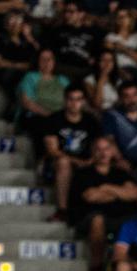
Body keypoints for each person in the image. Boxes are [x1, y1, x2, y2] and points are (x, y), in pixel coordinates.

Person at [70, 136, 137, 271]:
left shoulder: (121, 173)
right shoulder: (84, 173)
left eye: (107, 149)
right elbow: (90, 196)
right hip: (89, 218)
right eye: (98, 149)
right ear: (93, 152)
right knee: (98, 220)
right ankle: (97, 266)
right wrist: (119, 192)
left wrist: (105, 187)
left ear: (112, 151)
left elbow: (133, 194)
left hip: (120, 217)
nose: (103, 153)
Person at [43, 84, 99, 222]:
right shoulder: (54, 119)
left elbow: (98, 145)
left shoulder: (91, 121)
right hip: (57, 163)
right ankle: (62, 210)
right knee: (63, 163)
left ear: (84, 101)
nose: (74, 103)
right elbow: (52, 150)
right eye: (71, 99)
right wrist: (77, 161)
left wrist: (92, 159)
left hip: (86, 161)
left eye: (78, 99)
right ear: (65, 100)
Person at [103, 7, 137, 74]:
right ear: (116, 20)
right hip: (117, 71)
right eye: (119, 17)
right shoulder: (110, 36)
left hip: (135, 71)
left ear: (130, 19)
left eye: (125, 16)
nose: (122, 19)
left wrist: (124, 49)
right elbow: (107, 56)